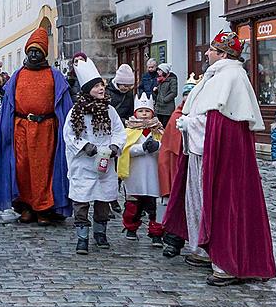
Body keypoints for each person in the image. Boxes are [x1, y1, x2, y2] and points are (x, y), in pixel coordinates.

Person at [161, 31, 276, 286]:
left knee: (223, 203)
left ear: (223, 54)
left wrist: (189, 124)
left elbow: (220, 123)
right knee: (200, 200)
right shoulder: (217, 75)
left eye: (212, 49)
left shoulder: (231, 77)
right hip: (202, 153)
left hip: (220, 157)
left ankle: (226, 262)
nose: (206, 53)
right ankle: (205, 249)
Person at [0, 28, 73, 225]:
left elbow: (65, 106)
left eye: (38, 51)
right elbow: (9, 105)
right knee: (22, 168)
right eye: (30, 51)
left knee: (43, 169)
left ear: (44, 53)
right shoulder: (18, 75)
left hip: (46, 130)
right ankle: (25, 207)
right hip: (21, 129)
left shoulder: (54, 75)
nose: (33, 54)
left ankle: (44, 208)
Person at [63, 57, 125, 254]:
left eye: (101, 85)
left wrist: (115, 146)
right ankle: (82, 237)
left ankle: (100, 233)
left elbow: (119, 131)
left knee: (103, 199)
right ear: (87, 89)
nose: (101, 89)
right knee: (81, 201)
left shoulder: (110, 110)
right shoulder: (76, 112)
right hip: (83, 164)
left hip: (104, 163)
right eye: (96, 86)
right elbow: (69, 134)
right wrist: (84, 146)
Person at [158, 74, 198, 255]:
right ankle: (173, 242)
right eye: (186, 95)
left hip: (195, 165)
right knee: (177, 203)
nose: (187, 98)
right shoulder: (176, 116)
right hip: (177, 166)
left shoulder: (200, 116)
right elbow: (168, 146)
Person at [118, 93, 164, 244]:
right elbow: (125, 150)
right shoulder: (128, 131)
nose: (144, 114)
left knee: (155, 206)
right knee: (133, 204)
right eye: (141, 111)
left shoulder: (158, 131)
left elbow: (166, 148)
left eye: (147, 111)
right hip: (135, 175)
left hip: (154, 175)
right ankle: (131, 227)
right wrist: (142, 148)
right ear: (135, 113)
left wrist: (157, 147)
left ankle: (156, 231)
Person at [153, 63, 178, 127]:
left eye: (159, 70)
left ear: (164, 71)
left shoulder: (172, 80)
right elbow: (160, 92)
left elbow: (174, 93)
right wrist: (156, 91)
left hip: (167, 109)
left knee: (165, 126)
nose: (157, 71)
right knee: (159, 127)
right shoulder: (160, 79)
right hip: (159, 108)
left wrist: (164, 100)